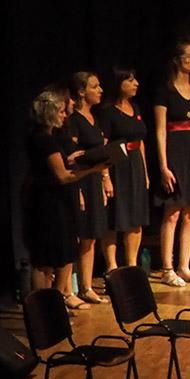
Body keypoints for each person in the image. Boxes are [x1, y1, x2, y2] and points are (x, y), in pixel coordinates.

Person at [24, 88, 110, 309]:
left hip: (57, 201)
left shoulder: (47, 136)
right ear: (50, 112)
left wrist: (72, 158)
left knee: (59, 254)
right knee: (45, 259)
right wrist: (93, 169)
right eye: (61, 111)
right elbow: (61, 176)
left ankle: (54, 306)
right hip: (47, 203)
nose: (64, 115)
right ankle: (44, 310)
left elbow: (58, 165)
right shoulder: (43, 138)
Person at [153, 38, 190, 286]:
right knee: (173, 212)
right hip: (175, 151)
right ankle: (167, 268)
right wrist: (164, 166)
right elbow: (160, 130)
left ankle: (184, 265)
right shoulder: (164, 90)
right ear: (177, 59)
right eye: (189, 56)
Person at [95, 66, 150, 274]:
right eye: (130, 81)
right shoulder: (108, 112)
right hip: (117, 166)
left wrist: (144, 172)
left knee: (136, 218)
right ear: (119, 84)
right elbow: (104, 145)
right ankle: (112, 268)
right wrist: (105, 176)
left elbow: (140, 142)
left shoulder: (135, 108)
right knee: (115, 217)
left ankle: (132, 266)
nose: (136, 84)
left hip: (135, 163)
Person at [65, 73, 113, 304]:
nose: (100, 89)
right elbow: (71, 158)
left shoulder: (95, 117)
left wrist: (105, 179)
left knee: (91, 236)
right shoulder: (73, 119)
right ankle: (68, 290)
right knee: (77, 235)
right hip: (79, 181)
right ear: (82, 92)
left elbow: (101, 153)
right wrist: (79, 189)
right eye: (95, 86)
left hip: (94, 180)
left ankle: (86, 286)